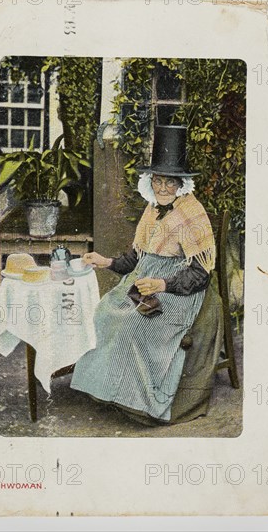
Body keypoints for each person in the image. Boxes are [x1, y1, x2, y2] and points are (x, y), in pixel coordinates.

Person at [70, 125, 216, 423]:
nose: (163, 188)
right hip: (143, 281)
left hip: (180, 290)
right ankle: (110, 391)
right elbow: (137, 258)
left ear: (182, 184)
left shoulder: (192, 212)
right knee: (105, 314)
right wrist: (106, 262)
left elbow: (201, 274)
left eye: (170, 183)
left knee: (132, 327)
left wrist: (163, 284)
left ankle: (142, 405)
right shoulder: (152, 209)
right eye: (158, 181)